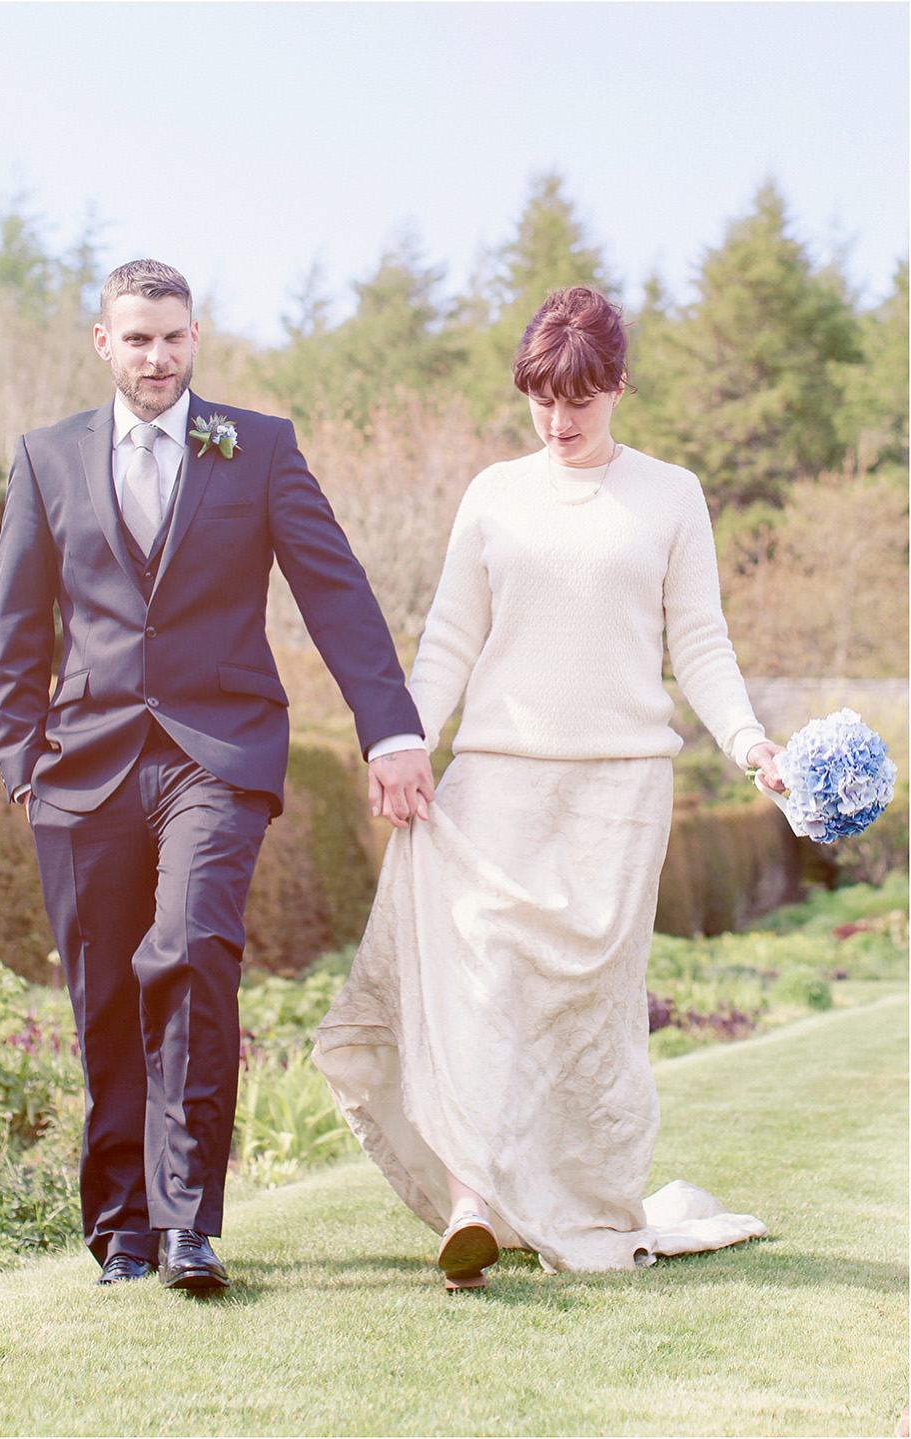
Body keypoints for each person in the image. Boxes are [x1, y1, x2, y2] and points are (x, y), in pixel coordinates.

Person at [314, 286, 785, 1290]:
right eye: (541, 401)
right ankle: (469, 1208)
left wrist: (750, 743)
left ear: (618, 386)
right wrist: (402, 739)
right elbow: (449, 638)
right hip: (493, 789)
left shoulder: (671, 495)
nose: (560, 422)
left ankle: (572, 1200)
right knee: (476, 990)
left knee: (585, 1022)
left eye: (579, 400)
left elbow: (697, 640)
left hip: (617, 797)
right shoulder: (493, 494)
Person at [0, 259, 434, 1289]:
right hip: (82, 766)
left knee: (193, 950)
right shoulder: (46, 456)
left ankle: (191, 1223)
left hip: (218, 754)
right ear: (104, 341)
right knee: (102, 995)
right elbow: (16, 631)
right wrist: (23, 766)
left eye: (175, 337)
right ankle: (122, 1229)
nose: (158, 357)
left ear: (198, 338)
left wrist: (391, 730)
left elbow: (339, 593)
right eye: (138, 338)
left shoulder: (260, 447)